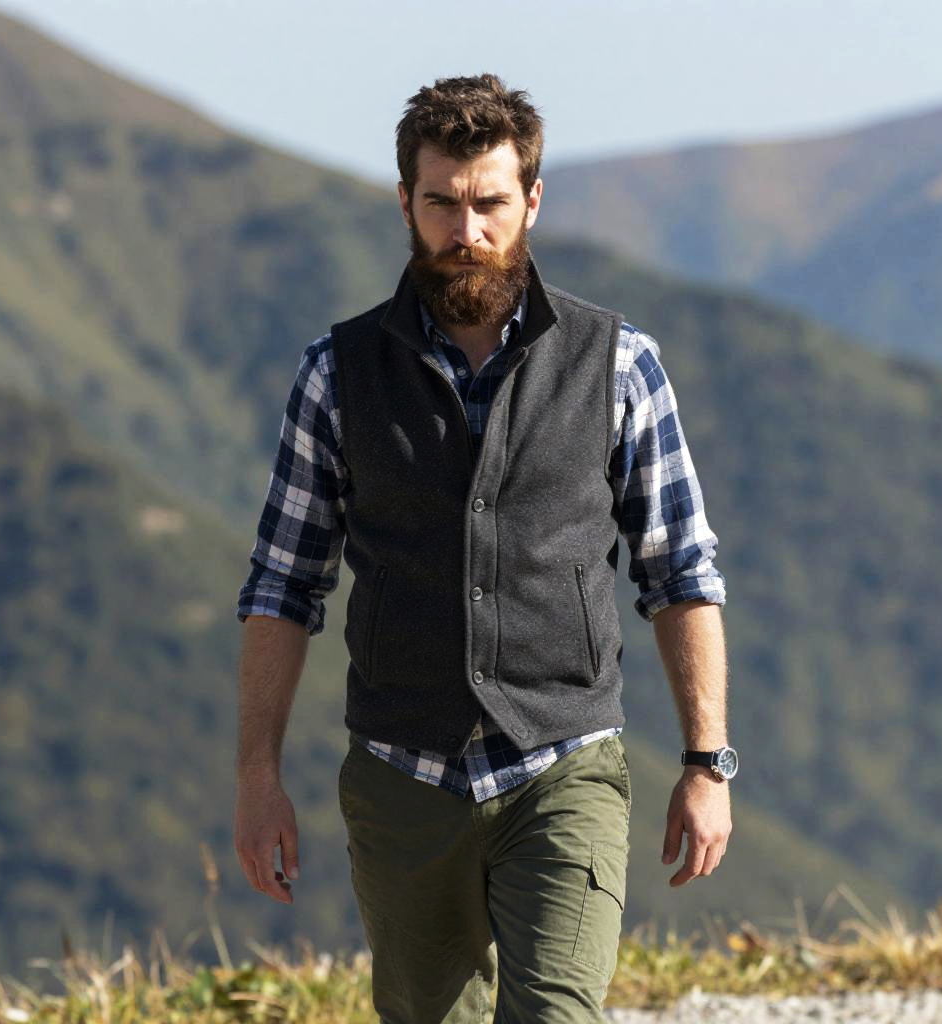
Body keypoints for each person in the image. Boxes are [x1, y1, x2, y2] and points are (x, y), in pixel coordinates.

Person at [234, 73, 734, 1024]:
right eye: (442, 204)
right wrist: (257, 778)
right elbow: (283, 584)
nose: (466, 231)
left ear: (532, 199)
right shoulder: (335, 374)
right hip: (400, 778)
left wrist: (707, 764)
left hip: (565, 765)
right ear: (405, 204)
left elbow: (680, 573)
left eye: (490, 203)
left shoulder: (619, 363)